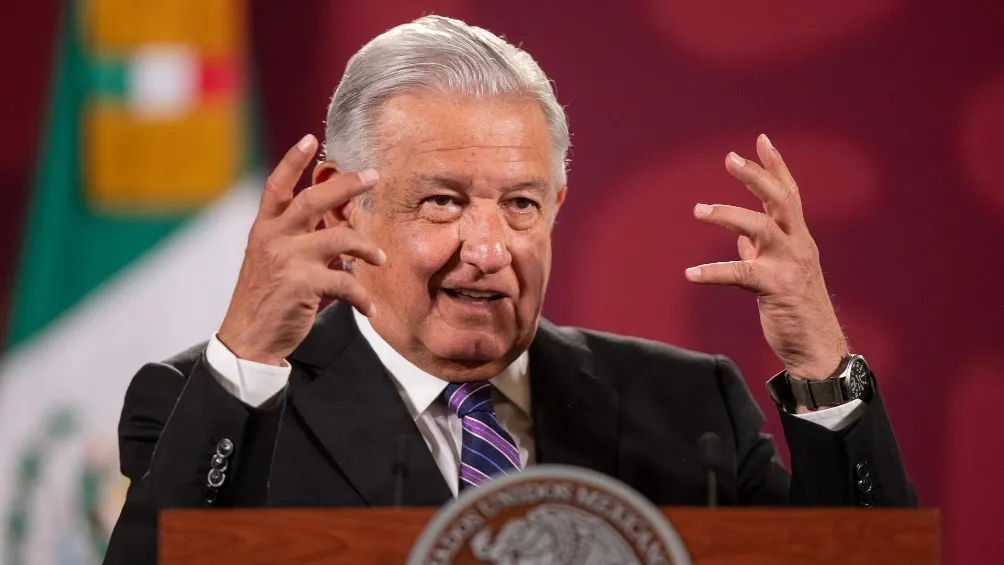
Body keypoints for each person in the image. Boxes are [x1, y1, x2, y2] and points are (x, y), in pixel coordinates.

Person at [104, 15, 915, 563]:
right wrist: (243, 364)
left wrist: (823, 370)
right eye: (444, 201)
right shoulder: (213, 408)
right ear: (343, 199)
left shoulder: (691, 405)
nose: (489, 248)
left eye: (521, 204)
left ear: (556, 206)